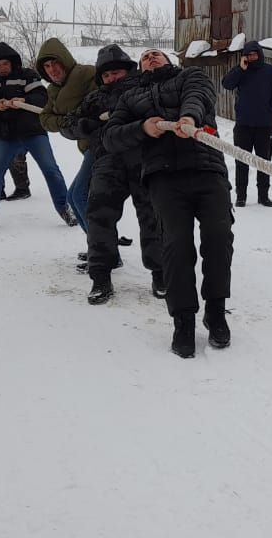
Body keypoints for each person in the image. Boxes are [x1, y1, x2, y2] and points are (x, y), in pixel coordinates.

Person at [101, 49, 234, 359]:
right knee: (175, 245)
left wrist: (188, 119)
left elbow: (198, 97)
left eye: (155, 54)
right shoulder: (130, 97)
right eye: (145, 57)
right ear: (139, 67)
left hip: (206, 169)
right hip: (163, 178)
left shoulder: (189, 76)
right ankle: (183, 320)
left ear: (168, 60)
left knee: (218, 237)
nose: (150, 58)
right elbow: (111, 137)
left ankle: (216, 312)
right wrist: (144, 128)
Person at [72, 45, 165, 305]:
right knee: (99, 214)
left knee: (151, 215)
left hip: (143, 158)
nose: (113, 78)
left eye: (117, 72)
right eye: (107, 75)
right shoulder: (94, 99)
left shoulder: (144, 88)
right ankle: (100, 276)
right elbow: (70, 123)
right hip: (108, 160)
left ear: (129, 70)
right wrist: (83, 125)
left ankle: (160, 273)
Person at [0, 42, 77, 231]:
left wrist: (24, 100)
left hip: (33, 132)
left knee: (51, 170)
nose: (2, 68)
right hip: (5, 136)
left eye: (5, 64)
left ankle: (66, 209)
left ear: (12, 63)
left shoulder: (27, 76)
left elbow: (43, 97)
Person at [36, 38, 97, 232]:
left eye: (55, 63)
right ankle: (96, 248)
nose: (52, 70)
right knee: (73, 197)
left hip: (101, 144)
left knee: (79, 195)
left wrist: (77, 119)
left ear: (65, 60)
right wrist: (65, 123)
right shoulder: (53, 90)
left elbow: (98, 104)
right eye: (47, 66)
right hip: (87, 146)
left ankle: (104, 254)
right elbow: (45, 119)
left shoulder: (86, 73)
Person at [222, 41, 272, 208]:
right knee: (241, 161)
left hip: (264, 126)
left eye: (254, 54)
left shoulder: (271, 71)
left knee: (264, 162)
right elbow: (226, 84)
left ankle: (263, 196)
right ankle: (241, 196)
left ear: (260, 54)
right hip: (243, 125)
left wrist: (269, 108)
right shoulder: (241, 71)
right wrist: (240, 69)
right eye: (248, 55)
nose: (251, 58)